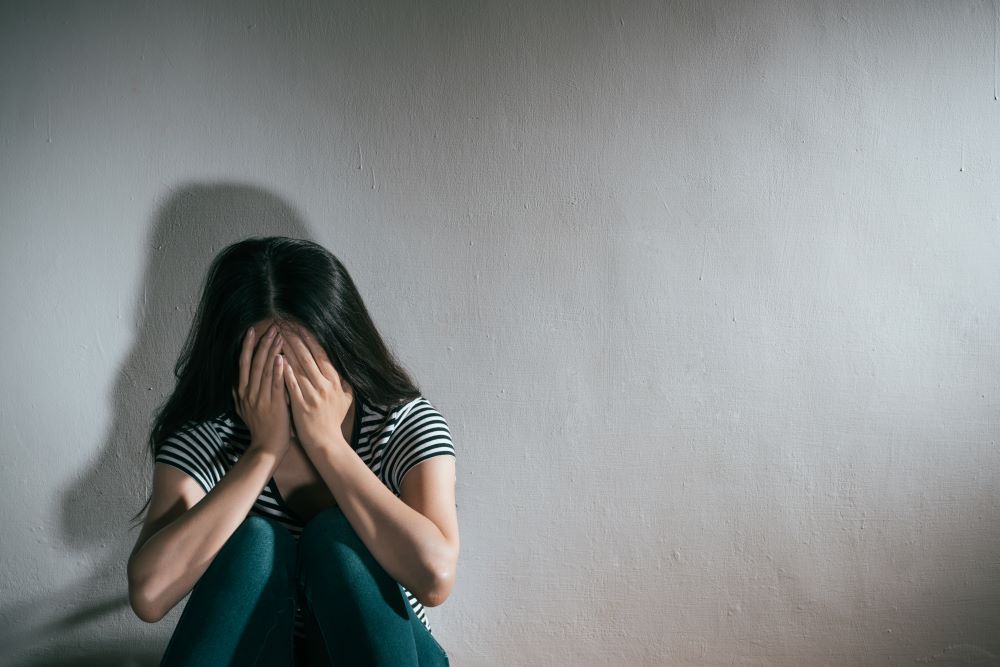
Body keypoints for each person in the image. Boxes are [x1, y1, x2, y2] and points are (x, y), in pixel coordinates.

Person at [126, 236, 458, 666]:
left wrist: (328, 447)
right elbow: (149, 595)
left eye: (304, 363)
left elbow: (435, 579)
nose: (287, 381)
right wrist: (262, 453)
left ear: (342, 347)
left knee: (338, 535)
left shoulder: (401, 422)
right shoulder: (212, 432)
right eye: (267, 363)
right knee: (254, 542)